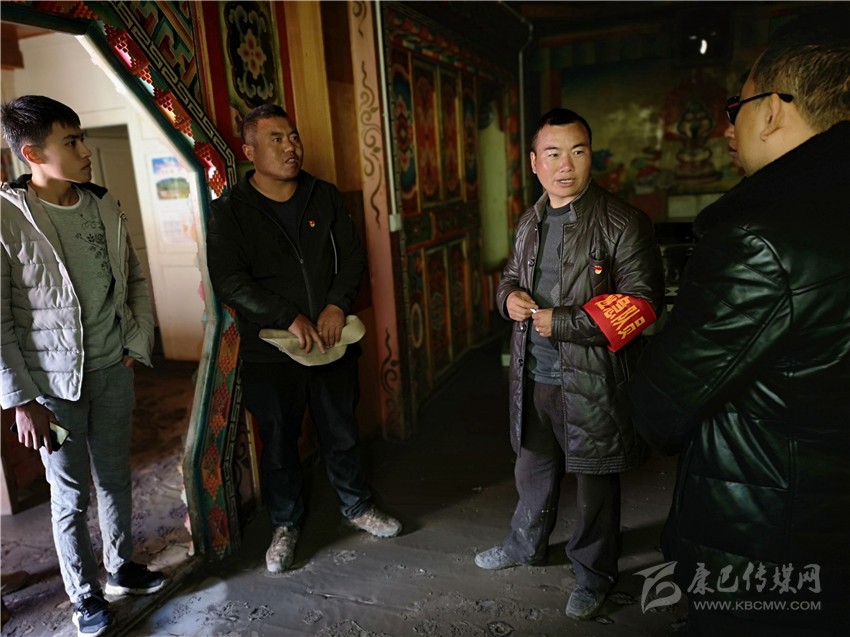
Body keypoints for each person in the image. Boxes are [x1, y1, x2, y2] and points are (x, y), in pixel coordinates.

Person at [629, 10, 850, 637]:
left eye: (737, 107)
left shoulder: (760, 240)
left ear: (774, 109)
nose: (728, 126)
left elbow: (659, 408)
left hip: (772, 536)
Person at [476, 108, 665, 621]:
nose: (566, 165)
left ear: (590, 156)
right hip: (533, 373)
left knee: (595, 481)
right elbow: (508, 277)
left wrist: (561, 322)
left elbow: (642, 304)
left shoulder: (623, 222)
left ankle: (593, 574)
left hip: (593, 380)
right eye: (554, 153)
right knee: (532, 467)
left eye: (577, 152)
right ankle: (525, 544)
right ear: (534, 162)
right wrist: (509, 297)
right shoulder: (530, 220)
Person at [206, 103, 401, 574]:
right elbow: (229, 280)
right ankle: (285, 525)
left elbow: (353, 257)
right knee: (278, 442)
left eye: (293, 136)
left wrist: (336, 304)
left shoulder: (323, 195)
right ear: (250, 151)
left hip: (332, 340)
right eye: (276, 139)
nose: (291, 147)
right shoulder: (230, 212)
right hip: (271, 349)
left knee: (341, 430)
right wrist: (287, 316)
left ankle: (356, 505)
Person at [1, 95, 166, 637]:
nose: (85, 150)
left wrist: (136, 342)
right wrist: (21, 401)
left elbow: (134, 279)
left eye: (81, 138)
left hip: (113, 370)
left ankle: (121, 567)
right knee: (69, 496)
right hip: (53, 391)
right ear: (32, 153)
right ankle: (84, 596)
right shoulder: (6, 218)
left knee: (116, 478)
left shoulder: (102, 204)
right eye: (70, 141)